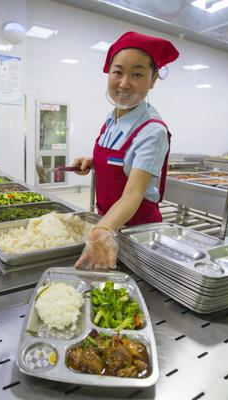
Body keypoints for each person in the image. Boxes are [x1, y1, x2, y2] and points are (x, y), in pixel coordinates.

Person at [71, 31, 179, 271]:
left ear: (153, 80)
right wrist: (93, 161)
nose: (124, 82)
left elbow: (133, 193)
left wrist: (102, 230)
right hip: (109, 222)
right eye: (117, 72)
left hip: (137, 231)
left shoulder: (152, 131)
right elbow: (118, 160)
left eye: (137, 74)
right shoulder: (114, 118)